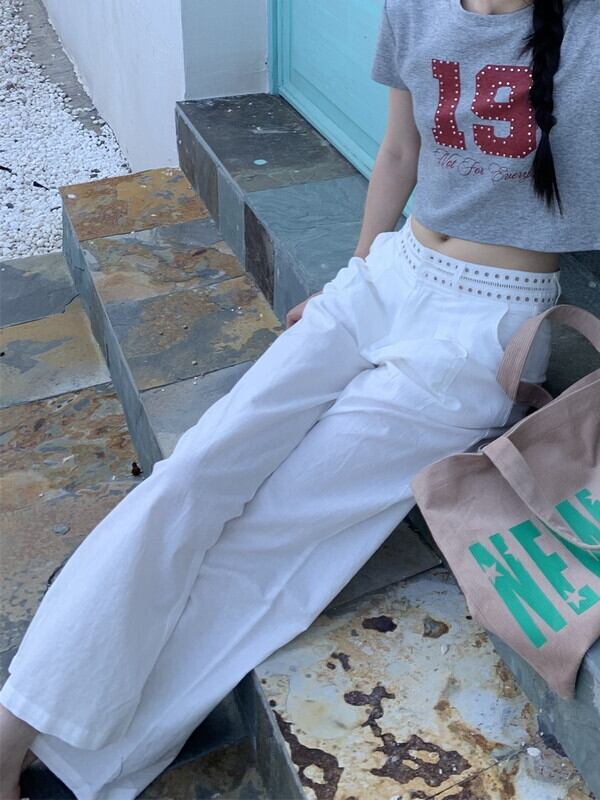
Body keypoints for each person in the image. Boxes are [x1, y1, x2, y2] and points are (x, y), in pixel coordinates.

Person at [1, 0, 598, 797]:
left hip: (481, 327)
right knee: (197, 469)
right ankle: (17, 721)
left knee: (272, 533)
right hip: (387, 276)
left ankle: (89, 764)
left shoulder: (589, 34)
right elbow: (399, 152)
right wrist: (354, 275)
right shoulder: (416, 7)